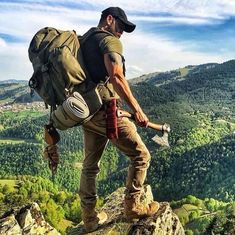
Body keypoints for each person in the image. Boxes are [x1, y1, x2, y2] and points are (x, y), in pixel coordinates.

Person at [79, 7, 159, 232]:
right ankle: (133, 207)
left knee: (90, 167)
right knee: (141, 155)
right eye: (121, 26)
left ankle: (90, 219)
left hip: (86, 112)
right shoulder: (109, 41)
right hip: (105, 112)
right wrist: (137, 109)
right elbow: (116, 76)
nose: (122, 32)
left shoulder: (84, 40)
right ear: (109, 19)